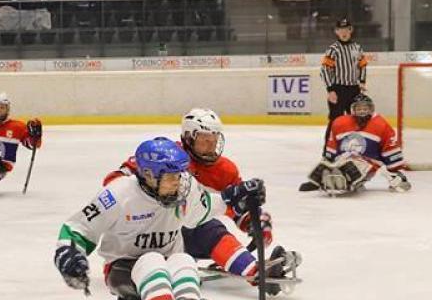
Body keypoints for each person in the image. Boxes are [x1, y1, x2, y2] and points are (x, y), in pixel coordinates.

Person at [53, 138, 263, 300]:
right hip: (122, 269)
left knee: (184, 260)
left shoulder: (183, 188)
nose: (178, 181)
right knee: (151, 260)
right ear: (150, 175)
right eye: (171, 176)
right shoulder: (118, 194)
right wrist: (70, 253)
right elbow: (79, 227)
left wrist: (234, 198)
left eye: (180, 174)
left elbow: (202, 211)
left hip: (167, 263)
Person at [103, 108, 291, 261]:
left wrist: (256, 222)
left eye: (214, 139)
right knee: (203, 224)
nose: (210, 145)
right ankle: (251, 269)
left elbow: (234, 206)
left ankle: (246, 264)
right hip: (148, 237)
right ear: (188, 138)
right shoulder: (165, 155)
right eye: (204, 140)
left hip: (186, 241)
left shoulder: (225, 170)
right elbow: (114, 183)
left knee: (203, 222)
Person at [301, 17, 368, 190]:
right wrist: (330, 90)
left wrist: (362, 82)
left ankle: (357, 159)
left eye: (346, 29)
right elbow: (324, 70)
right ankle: (327, 158)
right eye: (340, 29)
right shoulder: (333, 49)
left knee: (357, 123)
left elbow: (363, 66)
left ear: (351, 30)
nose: (344, 32)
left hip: (354, 90)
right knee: (335, 124)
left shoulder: (357, 48)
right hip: (338, 90)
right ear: (336, 32)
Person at [304, 94, 410, 194]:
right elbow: (333, 145)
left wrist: (394, 171)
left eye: (365, 109)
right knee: (329, 166)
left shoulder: (381, 124)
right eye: (359, 109)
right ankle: (326, 178)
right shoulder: (340, 122)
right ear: (353, 110)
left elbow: (390, 148)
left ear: (371, 110)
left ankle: (342, 180)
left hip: (368, 163)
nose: (362, 112)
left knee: (352, 169)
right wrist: (329, 161)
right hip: (344, 158)